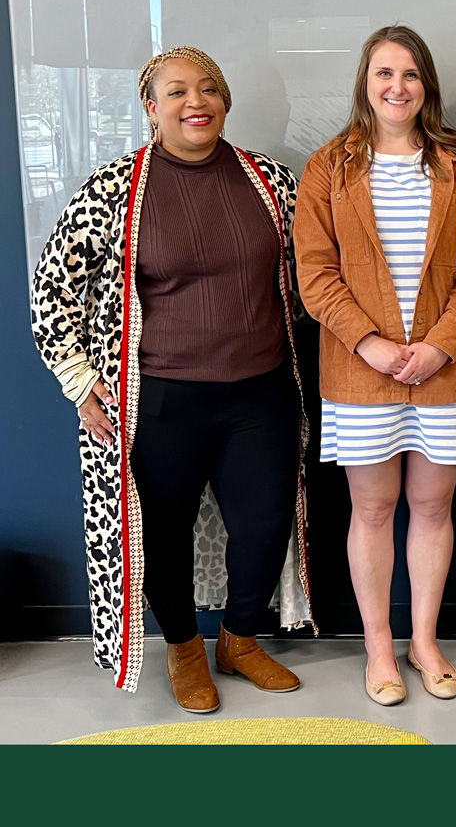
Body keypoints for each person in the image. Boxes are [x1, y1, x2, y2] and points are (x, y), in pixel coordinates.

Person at [30, 46, 313, 711]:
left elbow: (317, 273)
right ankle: (185, 650)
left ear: (226, 103)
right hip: (160, 400)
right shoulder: (113, 190)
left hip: (261, 392)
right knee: (163, 532)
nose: (197, 102)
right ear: (151, 108)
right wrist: (79, 382)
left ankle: (239, 641)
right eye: (178, 91)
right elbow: (52, 288)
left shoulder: (271, 182)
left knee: (265, 524)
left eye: (210, 89)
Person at [294, 25, 456, 705]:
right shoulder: (330, 168)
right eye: (384, 73)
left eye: (409, 74)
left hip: (444, 369)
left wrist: (440, 342)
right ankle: (379, 647)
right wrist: (370, 344)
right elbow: (315, 274)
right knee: (374, 510)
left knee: (433, 507)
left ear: (426, 86)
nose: (397, 86)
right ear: (365, 83)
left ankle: (425, 641)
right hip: (360, 372)